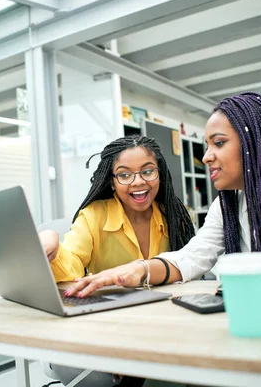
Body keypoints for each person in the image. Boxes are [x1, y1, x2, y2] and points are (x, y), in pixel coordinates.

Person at [62, 92, 261, 298]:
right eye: (206, 146)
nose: (206, 157)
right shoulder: (227, 206)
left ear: (257, 143)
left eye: (219, 143)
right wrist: (138, 270)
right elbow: (192, 257)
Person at [38, 135, 195, 387]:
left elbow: (190, 268)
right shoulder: (93, 216)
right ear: (111, 182)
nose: (138, 182)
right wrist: (51, 242)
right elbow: (70, 269)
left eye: (147, 171)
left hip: (165, 326)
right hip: (109, 327)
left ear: (160, 174)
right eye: (124, 175)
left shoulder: (174, 216)